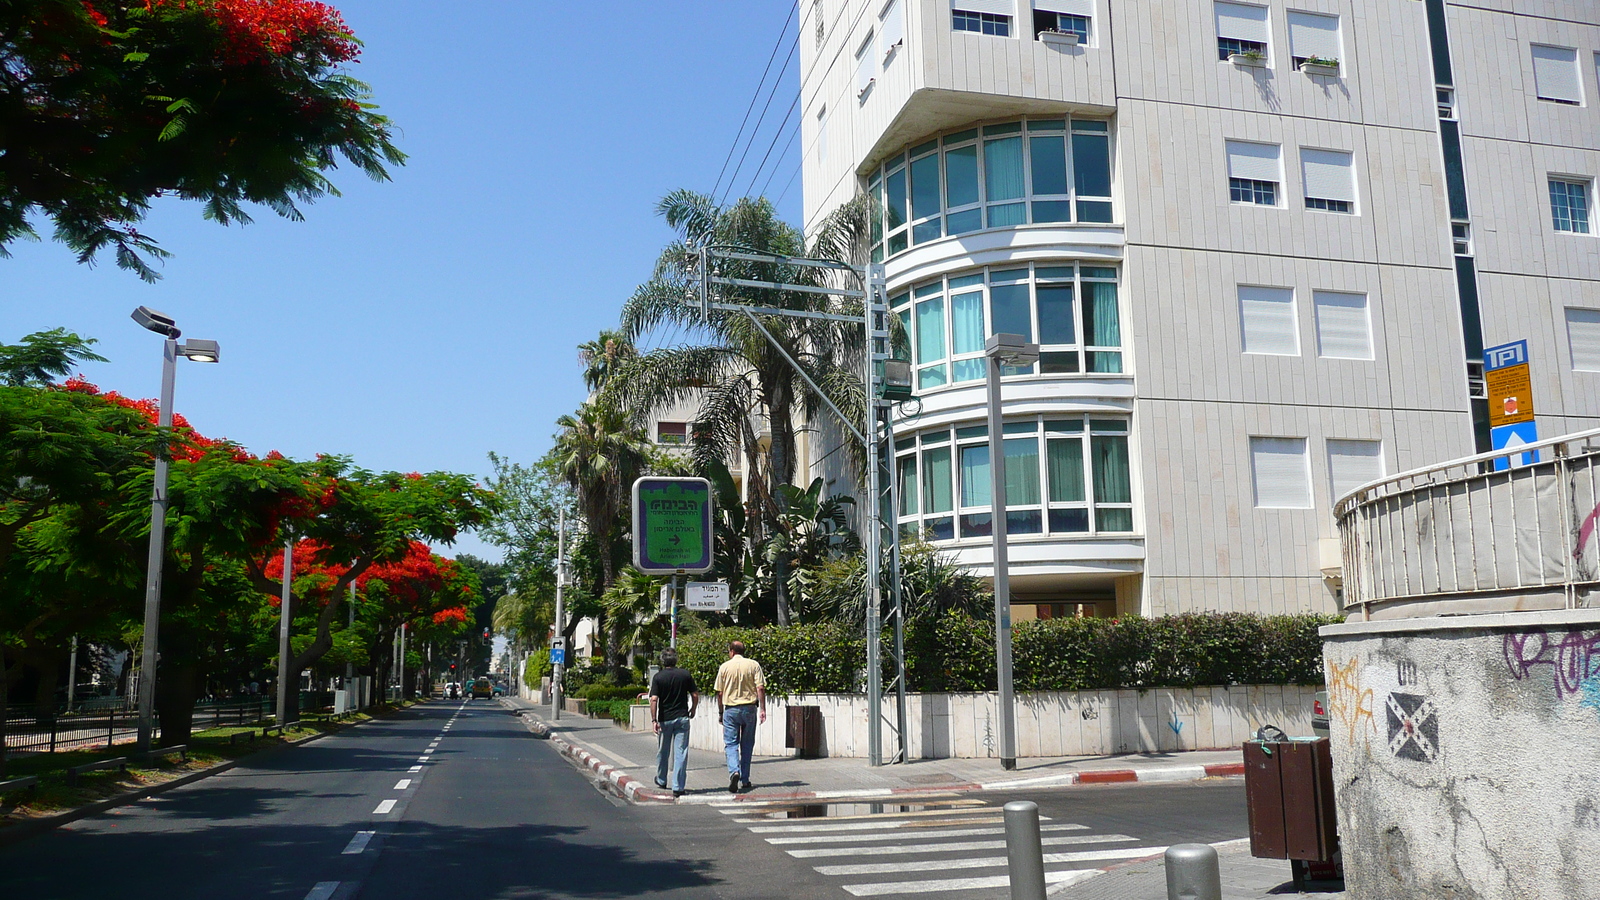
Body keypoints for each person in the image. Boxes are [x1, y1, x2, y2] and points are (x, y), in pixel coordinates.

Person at [714, 640, 766, 794]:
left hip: (730, 710)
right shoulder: (754, 665)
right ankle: (745, 779)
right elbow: (760, 687)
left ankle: (734, 771)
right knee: (747, 744)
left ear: (731, 651)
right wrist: (762, 708)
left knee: (731, 744)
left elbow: (720, 692)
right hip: (750, 708)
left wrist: (721, 712)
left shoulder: (724, 667)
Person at [649, 648, 698, 798]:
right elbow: (695, 694)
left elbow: (653, 699)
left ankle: (662, 779)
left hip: (665, 719)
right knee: (681, 752)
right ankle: (678, 786)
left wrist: (654, 720)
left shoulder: (658, 677)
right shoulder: (685, 674)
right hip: (682, 718)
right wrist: (693, 709)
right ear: (676, 660)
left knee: (663, 751)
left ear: (663, 661)